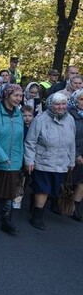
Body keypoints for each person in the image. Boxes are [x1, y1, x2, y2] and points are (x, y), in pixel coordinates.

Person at [25, 92, 76, 229]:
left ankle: (35, 202)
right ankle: (36, 218)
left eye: (63, 104)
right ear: (50, 105)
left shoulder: (70, 119)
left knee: (51, 190)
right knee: (43, 190)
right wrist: (29, 160)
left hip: (61, 162)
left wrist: (71, 160)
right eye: (57, 104)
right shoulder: (40, 120)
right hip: (43, 161)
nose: (60, 107)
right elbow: (30, 142)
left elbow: (72, 142)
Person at [0, 84, 25, 233]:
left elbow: (20, 138)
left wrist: (21, 159)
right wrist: (1, 155)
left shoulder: (19, 114)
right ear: (7, 95)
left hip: (13, 159)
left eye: (20, 96)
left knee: (9, 191)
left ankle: (6, 220)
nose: (18, 99)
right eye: (16, 96)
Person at [67, 90, 83, 221]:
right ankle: (60, 203)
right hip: (71, 153)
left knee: (81, 182)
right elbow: (67, 137)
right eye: (81, 99)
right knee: (68, 181)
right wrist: (76, 154)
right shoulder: (68, 114)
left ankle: (75, 207)